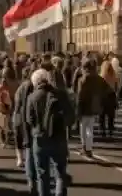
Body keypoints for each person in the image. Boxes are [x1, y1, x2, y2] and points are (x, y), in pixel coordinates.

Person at [26, 68, 73, 196]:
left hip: (40, 139)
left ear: (35, 82)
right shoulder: (60, 94)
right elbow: (70, 116)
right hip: (58, 137)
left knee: (42, 174)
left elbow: (29, 120)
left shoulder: (32, 97)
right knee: (60, 172)